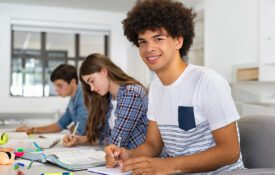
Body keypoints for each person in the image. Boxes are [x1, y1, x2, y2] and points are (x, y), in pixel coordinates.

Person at [105, 0, 245, 174]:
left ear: (178, 41)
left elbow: (230, 151)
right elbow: (153, 145)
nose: (149, 48)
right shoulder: (155, 88)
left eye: (158, 39)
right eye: (143, 42)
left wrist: (169, 165)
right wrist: (127, 155)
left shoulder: (208, 81)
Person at [62, 53, 148, 150]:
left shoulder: (131, 93)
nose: (92, 88)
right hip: (123, 161)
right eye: (88, 84)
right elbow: (105, 138)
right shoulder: (110, 98)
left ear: (104, 71)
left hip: (142, 160)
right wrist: (79, 140)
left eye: (92, 81)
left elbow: (116, 143)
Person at [16, 64, 88, 135]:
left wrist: (75, 128)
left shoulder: (83, 97)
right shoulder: (72, 100)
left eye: (59, 85)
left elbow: (81, 131)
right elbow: (60, 125)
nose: (56, 90)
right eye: (55, 86)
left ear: (72, 82)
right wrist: (33, 130)